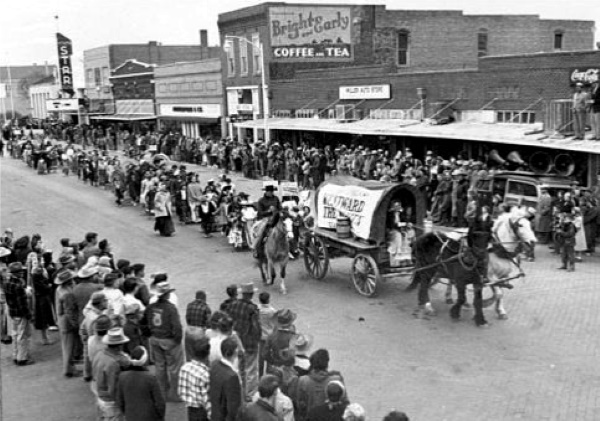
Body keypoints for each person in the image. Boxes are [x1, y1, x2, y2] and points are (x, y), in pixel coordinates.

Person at [143, 279, 184, 402]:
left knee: (160, 367)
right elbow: (176, 326)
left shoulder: (150, 307)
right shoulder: (171, 308)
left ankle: (162, 392)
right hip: (169, 340)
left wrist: (150, 334)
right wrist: (177, 339)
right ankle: (175, 394)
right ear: (167, 294)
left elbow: (143, 323)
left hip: (155, 339)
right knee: (175, 367)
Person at [228, 282, 262, 400]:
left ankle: (240, 390)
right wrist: (257, 339)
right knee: (251, 369)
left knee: (240, 367)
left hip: (236, 341)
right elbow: (256, 327)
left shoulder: (232, 305)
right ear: (251, 294)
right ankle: (250, 394)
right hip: (249, 343)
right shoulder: (252, 309)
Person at [117, 345, 165, 421]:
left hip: (131, 417)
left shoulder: (122, 376)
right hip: (150, 417)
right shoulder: (150, 378)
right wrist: (161, 417)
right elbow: (160, 403)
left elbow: (120, 401)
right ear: (145, 360)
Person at [92, 327, 131, 420]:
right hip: (110, 401)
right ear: (119, 345)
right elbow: (113, 389)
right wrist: (121, 404)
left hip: (99, 394)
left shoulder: (99, 354)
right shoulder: (113, 364)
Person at [296, 348, 346, 420]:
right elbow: (344, 401)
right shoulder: (336, 379)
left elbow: (300, 404)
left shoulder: (303, 380)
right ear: (327, 363)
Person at [4, 262, 34, 366]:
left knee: (15, 334)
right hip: (20, 314)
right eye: (20, 271)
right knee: (22, 336)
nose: (22, 273)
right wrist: (29, 315)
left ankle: (16, 355)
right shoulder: (18, 286)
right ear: (17, 273)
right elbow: (22, 305)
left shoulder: (7, 283)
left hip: (12, 312)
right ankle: (22, 358)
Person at [178, 336, 212, 421]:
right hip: (202, 411)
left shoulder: (184, 368)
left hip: (190, 409)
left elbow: (180, 392)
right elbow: (206, 400)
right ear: (207, 354)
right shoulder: (205, 374)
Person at [209, 336, 242, 421]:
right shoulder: (232, 377)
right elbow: (233, 408)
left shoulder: (214, 365)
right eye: (236, 352)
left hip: (214, 413)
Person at [80, 292, 109, 381]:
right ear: (100, 303)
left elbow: (82, 327)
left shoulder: (89, 312)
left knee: (87, 355)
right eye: (105, 301)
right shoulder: (97, 318)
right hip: (95, 340)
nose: (107, 302)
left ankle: (87, 374)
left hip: (87, 337)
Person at [55, 270, 79, 376]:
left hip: (61, 319)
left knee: (66, 345)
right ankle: (68, 369)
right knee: (69, 347)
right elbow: (69, 311)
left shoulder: (59, 289)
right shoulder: (67, 294)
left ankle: (69, 368)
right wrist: (75, 324)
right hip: (67, 321)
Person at [253, 185, 282, 258]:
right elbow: (260, 212)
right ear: (266, 192)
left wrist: (277, 210)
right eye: (269, 192)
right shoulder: (261, 200)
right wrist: (269, 211)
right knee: (261, 233)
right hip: (266, 218)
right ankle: (257, 249)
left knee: (286, 229)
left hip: (276, 217)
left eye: (272, 192)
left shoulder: (276, 198)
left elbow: (280, 208)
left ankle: (290, 248)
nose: (271, 193)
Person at [467, 205, 493, 283]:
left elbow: (489, 229)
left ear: (486, 210)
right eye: (482, 208)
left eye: (483, 208)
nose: (482, 209)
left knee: (485, 258)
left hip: (484, 238)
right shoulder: (478, 217)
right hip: (477, 238)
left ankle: (484, 275)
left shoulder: (489, 218)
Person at [184, 290, 211, 362]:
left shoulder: (189, 305)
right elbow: (208, 323)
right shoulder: (206, 307)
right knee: (201, 355)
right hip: (199, 332)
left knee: (189, 354)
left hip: (189, 330)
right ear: (204, 297)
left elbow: (187, 319)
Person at [258, 292, 277, 376]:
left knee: (260, 358)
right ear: (268, 299)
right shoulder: (272, 311)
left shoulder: (257, 309)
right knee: (269, 357)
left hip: (261, 336)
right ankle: (268, 375)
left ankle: (260, 376)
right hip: (270, 336)